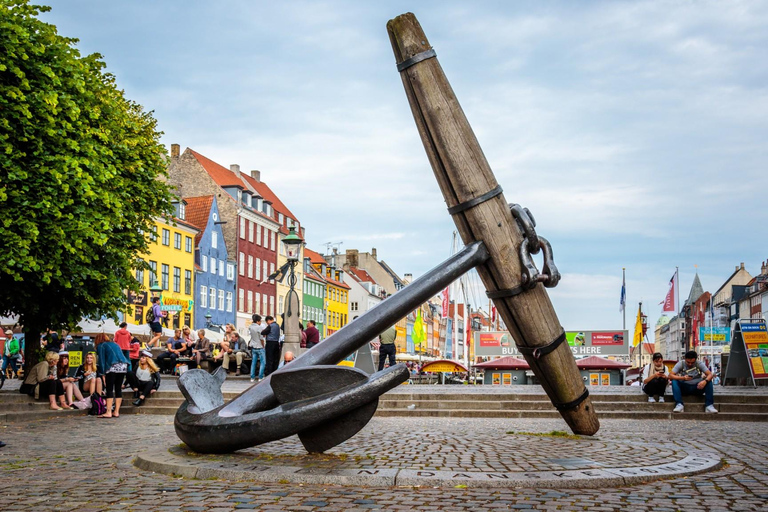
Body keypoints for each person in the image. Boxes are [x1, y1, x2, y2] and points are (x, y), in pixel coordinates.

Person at [95, 333, 130, 418]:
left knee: (109, 388)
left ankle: (108, 411)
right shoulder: (115, 344)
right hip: (123, 366)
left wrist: (102, 374)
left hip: (112, 366)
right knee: (118, 389)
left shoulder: (101, 345)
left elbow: (102, 361)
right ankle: (116, 411)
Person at [248, 315, 266, 382]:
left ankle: (252, 377)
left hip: (253, 346)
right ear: (258, 321)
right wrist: (263, 345)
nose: (260, 322)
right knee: (263, 362)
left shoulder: (250, 327)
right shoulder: (259, 328)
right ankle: (260, 377)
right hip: (259, 346)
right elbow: (261, 338)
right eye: (260, 321)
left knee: (253, 362)